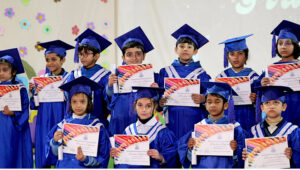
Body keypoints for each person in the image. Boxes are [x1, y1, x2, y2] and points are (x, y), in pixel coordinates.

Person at [158, 24, 211, 139]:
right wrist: (160, 102)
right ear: (176, 49)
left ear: (195, 51)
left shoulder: (201, 74)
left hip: (194, 119)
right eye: (182, 46)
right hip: (172, 119)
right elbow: (158, 96)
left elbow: (210, 93)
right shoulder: (166, 72)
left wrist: (204, 98)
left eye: (189, 47)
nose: (185, 49)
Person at [45, 76, 111, 168]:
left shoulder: (97, 126)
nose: (78, 105)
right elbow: (53, 155)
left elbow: (103, 156)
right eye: (74, 102)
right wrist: (55, 142)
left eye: (82, 101)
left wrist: (86, 159)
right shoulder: (62, 125)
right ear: (70, 104)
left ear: (89, 102)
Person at [177, 82, 245, 168]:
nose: (212, 105)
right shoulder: (200, 127)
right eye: (209, 102)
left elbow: (243, 159)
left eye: (217, 102)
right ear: (205, 105)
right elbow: (190, 160)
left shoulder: (235, 128)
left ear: (226, 105)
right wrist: (190, 149)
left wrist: (235, 151)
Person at [29, 40, 74, 168]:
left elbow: (74, 101)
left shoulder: (69, 78)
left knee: (61, 152)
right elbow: (34, 106)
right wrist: (34, 93)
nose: (50, 63)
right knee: (44, 154)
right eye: (47, 60)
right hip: (44, 120)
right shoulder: (41, 80)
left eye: (54, 59)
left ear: (63, 60)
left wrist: (65, 92)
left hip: (61, 118)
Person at [107, 26, 159, 137]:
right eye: (129, 54)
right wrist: (110, 86)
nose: (134, 58)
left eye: (138, 53)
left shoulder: (152, 76)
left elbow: (158, 104)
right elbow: (108, 100)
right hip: (119, 119)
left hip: (142, 120)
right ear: (123, 57)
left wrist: (156, 91)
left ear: (144, 56)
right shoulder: (115, 74)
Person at [110, 87, 178, 168]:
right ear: (135, 106)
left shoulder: (162, 132)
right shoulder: (128, 131)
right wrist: (116, 154)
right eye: (140, 105)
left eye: (148, 106)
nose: (144, 109)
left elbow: (173, 157)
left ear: (154, 107)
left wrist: (161, 157)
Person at [242, 85, 300, 168]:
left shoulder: (293, 131)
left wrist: (292, 155)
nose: (271, 106)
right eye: (267, 103)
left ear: (284, 107)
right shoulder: (253, 131)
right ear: (262, 108)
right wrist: (244, 155)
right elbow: (247, 161)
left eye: (276, 102)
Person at [65, 28, 112, 128]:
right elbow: (68, 98)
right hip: (76, 122)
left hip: (97, 123)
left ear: (97, 56)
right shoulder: (74, 74)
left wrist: (110, 87)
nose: (82, 57)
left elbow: (109, 100)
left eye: (86, 54)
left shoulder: (105, 75)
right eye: (80, 54)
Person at [258, 20, 300, 126]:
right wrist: (263, 84)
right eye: (280, 43)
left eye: (288, 43)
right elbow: (259, 92)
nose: (283, 47)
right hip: (278, 110)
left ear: (295, 46)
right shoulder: (271, 69)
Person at [216, 34, 259, 131]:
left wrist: (256, 98)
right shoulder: (221, 77)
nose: (236, 57)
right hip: (227, 116)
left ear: (246, 57)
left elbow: (261, 99)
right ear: (227, 57)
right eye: (232, 54)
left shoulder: (253, 76)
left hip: (248, 115)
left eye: (240, 53)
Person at [0, 48, 33, 168]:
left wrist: (13, 113)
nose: (1, 73)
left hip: (13, 127)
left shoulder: (20, 88)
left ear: (13, 72)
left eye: (4, 70)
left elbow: (25, 110)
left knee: (11, 154)